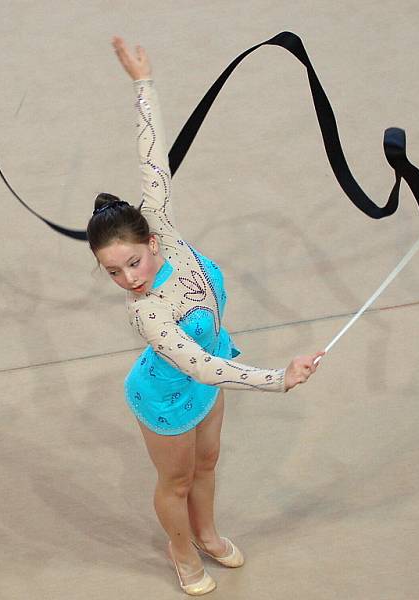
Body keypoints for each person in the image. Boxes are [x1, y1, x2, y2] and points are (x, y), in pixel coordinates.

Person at [86, 37, 325, 596]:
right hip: (168, 394)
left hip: (211, 368)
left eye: (132, 262)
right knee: (176, 477)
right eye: (112, 273)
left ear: (151, 237)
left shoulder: (164, 227)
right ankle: (178, 549)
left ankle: (207, 533)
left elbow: (153, 162)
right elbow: (201, 367)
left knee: (209, 462)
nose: (129, 280)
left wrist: (142, 84)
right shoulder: (147, 316)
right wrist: (278, 380)